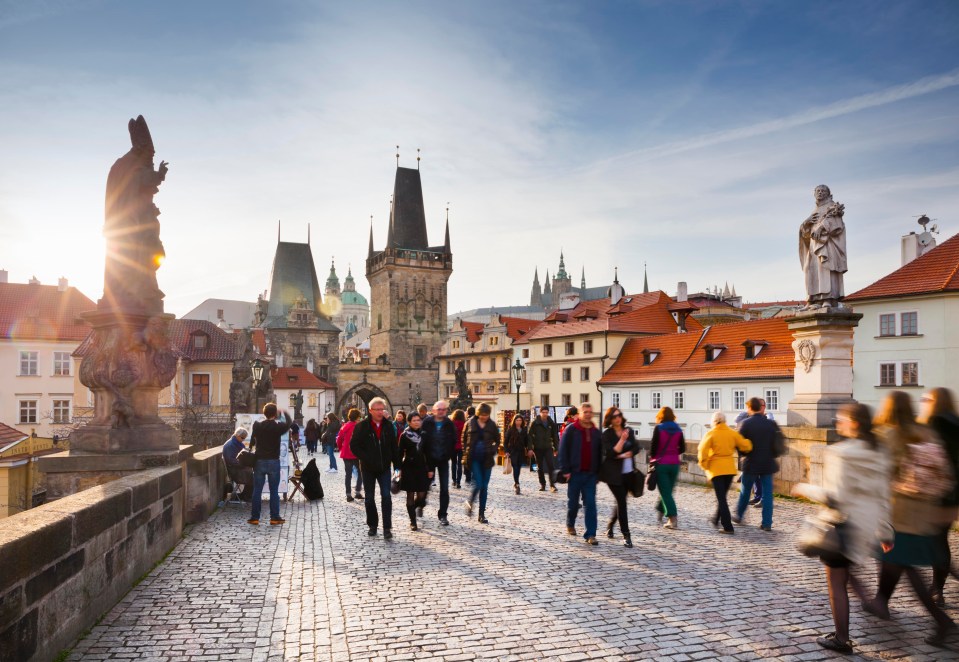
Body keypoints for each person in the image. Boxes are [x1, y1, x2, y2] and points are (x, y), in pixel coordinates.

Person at [793, 402, 894, 655]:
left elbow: (835, 497)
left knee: (836, 583)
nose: (838, 423)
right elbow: (883, 496)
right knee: (847, 572)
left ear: (855, 423)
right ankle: (869, 603)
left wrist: (803, 488)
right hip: (866, 525)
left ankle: (841, 638)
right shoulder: (880, 453)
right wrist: (886, 531)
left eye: (841, 419)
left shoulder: (841, 452)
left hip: (842, 525)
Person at [865, 391, 956, 647]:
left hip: (897, 513)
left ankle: (943, 622)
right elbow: (944, 470)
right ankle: (880, 601)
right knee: (895, 560)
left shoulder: (889, 435)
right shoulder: (926, 432)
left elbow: (880, 476)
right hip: (922, 511)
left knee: (903, 565)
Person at [920, 388, 959, 605]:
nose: (923, 402)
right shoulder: (956, 422)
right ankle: (938, 586)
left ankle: (937, 589)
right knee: (940, 539)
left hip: (936, 491)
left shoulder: (935, 422)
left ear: (935, 402)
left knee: (935, 541)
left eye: (927, 399)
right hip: (953, 493)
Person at [350, 398, 398, 539]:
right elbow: (354, 446)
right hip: (368, 468)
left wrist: (397, 467)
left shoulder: (389, 426)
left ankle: (387, 527)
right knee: (369, 498)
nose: (380, 412)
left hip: (384, 468)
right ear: (370, 410)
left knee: (386, 497)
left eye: (382, 409)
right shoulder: (362, 426)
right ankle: (372, 525)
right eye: (377, 409)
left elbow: (394, 448)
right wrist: (365, 457)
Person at [733, 397, 783, 531]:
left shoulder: (745, 424)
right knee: (767, 494)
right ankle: (767, 523)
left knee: (745, 491)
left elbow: (739, 444)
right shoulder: (771, 424)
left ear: (750, 408)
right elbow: (779, 444)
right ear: (760, 408)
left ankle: (739, 515)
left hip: (751, 463)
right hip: (767, 463)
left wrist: (744, 455)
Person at [698, 412, 752, 534]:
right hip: (729, 469)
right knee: (722, 496)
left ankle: (727, 526)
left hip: (716, 470)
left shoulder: (711, 433)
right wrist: (751, 441)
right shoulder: (731, 433)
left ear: (714, 421)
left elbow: (702, 452)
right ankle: (716, 519)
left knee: (721, 498)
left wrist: (705, 465)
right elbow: (745, 445)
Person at [558, 403, 603, 545]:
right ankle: (570, 523)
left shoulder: (596, 432)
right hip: (574, 473)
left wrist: (598, 472)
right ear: (580, 413)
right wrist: (565, 470)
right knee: (573, 504)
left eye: (590, 412)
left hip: (590, 475)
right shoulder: (571, 430)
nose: (588, 414)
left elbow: (600, 453)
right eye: (585, 412)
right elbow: (563, 450)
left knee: (590, 504)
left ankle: (591, 534)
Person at [799, 184, 847, 309]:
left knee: (826, 270)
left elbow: (837, 226)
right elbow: (805, 233)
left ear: (828, 193)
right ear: (814, 194)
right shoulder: (814, 210)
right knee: (811, 271)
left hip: (827, 245)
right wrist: (806, 222)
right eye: (818, 191)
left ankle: (828, 299)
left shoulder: (832, 206)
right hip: (813, 246)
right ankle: (813, 300)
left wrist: (822, 227)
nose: (820, 193)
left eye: (823, 191)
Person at [600, 407, 638, 548]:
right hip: (613, 475)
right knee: (622, 501)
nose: (618, 418)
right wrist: (622, 440)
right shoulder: (607, 435)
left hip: (629, 472)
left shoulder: (629, 430)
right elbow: (610, 453)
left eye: (619, 415)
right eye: (615, 416)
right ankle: (626, 535)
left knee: (621, 501)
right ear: (610, 419)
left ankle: (610, 526)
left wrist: (629, 453)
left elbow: (636, 447)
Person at [248, 403, 292, 526]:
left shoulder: (257, 425)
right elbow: (289, 423)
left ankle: (254, 517)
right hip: (273, 461)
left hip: (259, 461)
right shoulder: (278, 427)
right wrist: (284, 412)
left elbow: (252, 439)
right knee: (274, 491)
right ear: (275, 414)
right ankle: (274, 517)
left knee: (257, 490)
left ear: (264, 413)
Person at [462, 403, 500, 524]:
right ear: (478, 414)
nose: (484, 417)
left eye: (487, 415)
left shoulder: (492, 425)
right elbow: (463, 439)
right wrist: (465, 452)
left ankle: (481, 514)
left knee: (484, 487)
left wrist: (493, 449)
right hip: (474, 458)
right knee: (478, 483)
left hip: (487, 459)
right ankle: (471, 501)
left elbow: (498, 440)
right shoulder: (469, 423)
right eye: (482, 415)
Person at [421, 400, 457, 526]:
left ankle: (443, 515)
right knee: (425, 486)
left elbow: (454, 440)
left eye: (443, 409)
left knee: (444, 488)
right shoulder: (427, 422)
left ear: (446, 411)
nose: (441, 411)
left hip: (443, 460)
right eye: (439, 409)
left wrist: (449, 454)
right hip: (429, 459)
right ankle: (420, 504)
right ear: (434, 410)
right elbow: (422, 441)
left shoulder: (449, 423)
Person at [648, 406, 684, 529]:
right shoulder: (679, 429)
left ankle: (672, 518)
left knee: (665, 492)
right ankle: (660, 508)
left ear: (660, 416)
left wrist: (652, 461)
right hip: (675, 464)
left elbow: (653, 448)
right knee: (668, 490)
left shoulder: (658, 428)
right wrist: (672, 453)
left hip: (661, 464)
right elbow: (683, 448)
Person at [397, 411, 433, 531]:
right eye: (414, 420)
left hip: (422, 467)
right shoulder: (404, 435)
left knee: (422, 495)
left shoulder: (425, 434)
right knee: (410, 495)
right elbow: (399, 453)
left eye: (419, 420)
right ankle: (413, 521)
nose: (417, 422)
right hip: (409, 467)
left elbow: (429, 453)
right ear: (409, 422)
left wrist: (430, 468)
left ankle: (416, 507)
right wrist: (397, 471)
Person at [529, 407, 559, 492]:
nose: (545, 414)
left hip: (548, 448)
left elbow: (555, 436)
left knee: (551, 466)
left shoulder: (551, 423)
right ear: (540, 412)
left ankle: (552, 485)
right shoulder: (535, 423)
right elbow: (530, 436)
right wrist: (530, 448)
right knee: (540, 467)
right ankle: (543, 484)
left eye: (546, 412)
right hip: (538, 448)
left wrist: (556, 448)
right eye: (543, 412)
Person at [336, 409, 363, 502]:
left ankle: (348, 495)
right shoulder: (359, 426)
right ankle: (358, 492)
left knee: (348, 475)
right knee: (360, 474)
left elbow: (339, 439)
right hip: (356, 454)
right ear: (357, 417)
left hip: (346, 453)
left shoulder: (345, 426)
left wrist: (341, 449)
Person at [222, 427, 253, 501]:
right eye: (242, 438)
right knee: (254, 479)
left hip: (236, 469)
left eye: (244, 438)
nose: (243, 440)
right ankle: (246, 496)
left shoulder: (235, 443)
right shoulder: (231, 445)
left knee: (253, 477)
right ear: (237, 435)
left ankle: (245, 495)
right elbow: (231, 460)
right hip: (234, 471)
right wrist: (243, 463)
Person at [504, 414, 530, 495]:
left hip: (521, 451)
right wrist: (507, 451)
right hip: (513, 451)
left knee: (518, 467)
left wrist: (529, 449)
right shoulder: (511, 429)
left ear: (522, 421)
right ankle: (517, 484)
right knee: (515, 467)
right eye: (517, 420)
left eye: (520, 420)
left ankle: (516, 482)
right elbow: (505, 442)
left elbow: (526, 441)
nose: (518, 422)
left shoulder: (524, 430)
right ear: (514, 421)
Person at [450, 409, 466, 489]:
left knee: (453, 463)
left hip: (453, 446)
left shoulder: (452, 424)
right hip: (461, 446)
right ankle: (458, 482)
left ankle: (454, 480)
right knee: (460, 464)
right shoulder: (464, 424)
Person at [464, 406, 477, 485]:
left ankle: (468, 477)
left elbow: (464, 435)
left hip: (468, 445)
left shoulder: (466, 421)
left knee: (467, 461)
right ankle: (473, 476)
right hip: (475, 445)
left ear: (468, 412)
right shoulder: (477, 420)